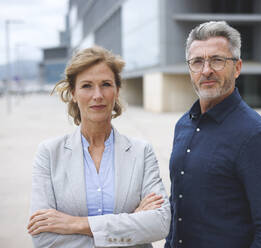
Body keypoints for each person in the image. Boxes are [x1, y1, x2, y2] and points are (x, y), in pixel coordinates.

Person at [27, 46, 170, 247]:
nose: (98, 95)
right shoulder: (49, 154)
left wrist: (76, 224)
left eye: (106, 84)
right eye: (86, 86)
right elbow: (43, 238)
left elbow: (160, 224)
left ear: (117, 91)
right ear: (73, 93)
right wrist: (131, 224)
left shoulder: (141, 152)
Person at [165, 21, 261, 248]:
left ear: (238, 67)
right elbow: (177, 207)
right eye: (197, 62)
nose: (206, 70)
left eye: (217, 60)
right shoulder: (183, 125)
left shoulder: (256, 137)